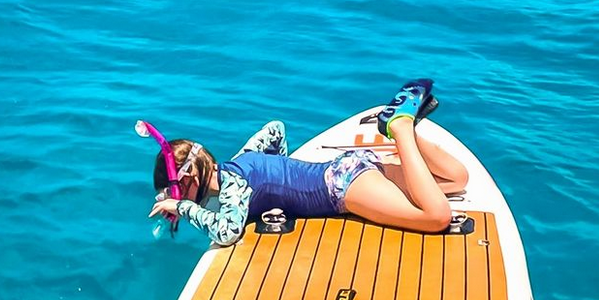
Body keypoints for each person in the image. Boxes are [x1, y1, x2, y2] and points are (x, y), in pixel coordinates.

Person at [142, 79, 469, 246]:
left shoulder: (232, 187)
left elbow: (227, 231)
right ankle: (406, 127)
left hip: (340, 189)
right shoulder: (241, 160)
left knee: (435, 216)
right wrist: (281, 179)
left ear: (188, 180)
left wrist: (183, 208)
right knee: (456, 179)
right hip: (349, 166)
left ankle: (399, 127)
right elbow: (275, 129)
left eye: (175, 192)